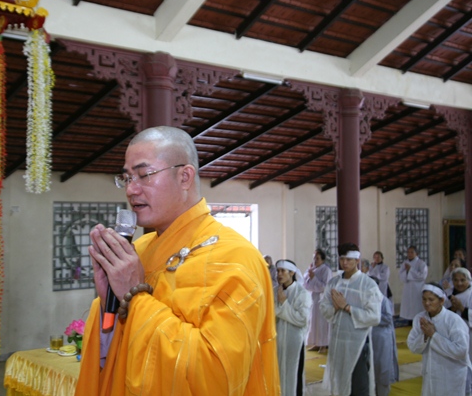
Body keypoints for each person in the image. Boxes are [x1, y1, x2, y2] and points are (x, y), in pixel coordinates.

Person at [75, 126, 279, 396]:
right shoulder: (139, 249)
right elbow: (115, 358)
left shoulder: (236, 259)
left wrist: (135, 298)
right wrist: (108, 305)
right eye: (127, 178)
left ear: (184, 177)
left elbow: (216, 378)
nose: (131, 189)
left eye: (144, 175)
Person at [320, 243, 382, 396]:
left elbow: (374, 317)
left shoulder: (367, 284)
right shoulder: (334, 283)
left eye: (348, 260)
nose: (344, 263)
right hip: (337, 342)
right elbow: (323, 307)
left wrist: (347, 307)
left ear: (357, 260)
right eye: (342, 259)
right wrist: (335, 308)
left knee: (358, 386)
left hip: (358, 344)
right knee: (339, 384)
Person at [407, 283, 472, 396]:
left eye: (431, 300)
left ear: (441, 301)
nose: (427, 303)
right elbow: (413, 346)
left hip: (452, 376)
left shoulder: (453, 320)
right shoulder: (420, 318)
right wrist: (425, 336)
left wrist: (434, 335)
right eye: (424, 299)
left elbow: (461, 351)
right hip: (430, 374)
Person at [274, 259, 311, 396]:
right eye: (278, 271)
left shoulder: (302, 293)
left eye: (283, 271)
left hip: (294, 342)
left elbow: (302, 319)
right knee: (277, 375)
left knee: (294, 376)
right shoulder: (273, 291)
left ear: (292, 273)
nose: (279, 274)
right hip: (277, 342)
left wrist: (283, 304)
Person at [444, 267, 472, 395]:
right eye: (456, 280)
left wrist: (462, 308)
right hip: (452, 336)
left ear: (468, 280)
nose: (459, 283)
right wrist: (453, 309)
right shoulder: (448, 294)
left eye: (462, 280)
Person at [369, 276, 398, 396]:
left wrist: (371, 317)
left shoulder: (383, 300)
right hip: (371, 338)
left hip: (382, 338)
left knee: (382, 368)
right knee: (371, 368)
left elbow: (388, 318)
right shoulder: (365, 299)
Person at [303, 248, 333, 353]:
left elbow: (325, 287)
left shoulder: (326, 270)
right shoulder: (312, 269)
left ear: (323, 260)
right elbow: (305, 283)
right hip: (313, 298)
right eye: (314, 258)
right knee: (313, 321)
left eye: (317, 258)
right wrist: (310, 275)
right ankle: (316, 343)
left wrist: (313, 278)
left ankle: (323, 345)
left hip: (322, 299)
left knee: (321, 323)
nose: (315, 260)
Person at [399, 245, 428, 321]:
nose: (409, 254)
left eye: (412, 252)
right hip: (408, 286)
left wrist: (411, 269)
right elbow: (401, 274)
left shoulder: (421, 263)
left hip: (417, 287)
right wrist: (407, 272)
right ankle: (409, 319)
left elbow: (422, 276)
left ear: (416, 253)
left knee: (417, 304)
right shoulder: (405, 263)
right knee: (408, 304)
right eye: (408, 252)